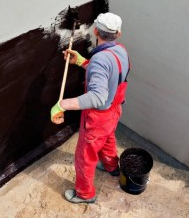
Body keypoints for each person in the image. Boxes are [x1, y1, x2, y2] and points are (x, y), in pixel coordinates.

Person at [50, 12, 130, 204]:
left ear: (95, 31)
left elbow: (97, 97)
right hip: (114, 110)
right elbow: (109, 76)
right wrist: (82, 61)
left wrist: (62, 104)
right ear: (118, 33)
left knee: (85, 157)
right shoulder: (121, 51)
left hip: (98, 118)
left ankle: (85, 194)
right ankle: (112, 167)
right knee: (108, 138)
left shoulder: (100, 60)